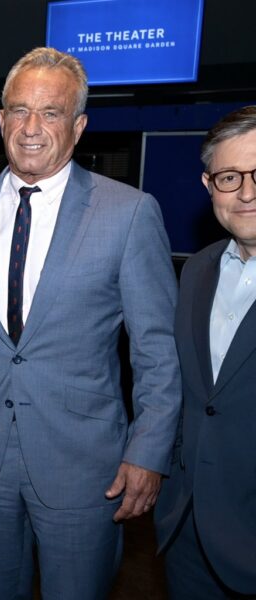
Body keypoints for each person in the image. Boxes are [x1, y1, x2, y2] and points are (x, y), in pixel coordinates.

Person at [0, 47, 181, 599]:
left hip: (85, 465)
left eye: (51, 113)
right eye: (19, 110)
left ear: (79, 126)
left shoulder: (129, 212)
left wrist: (147, 453)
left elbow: (156, 352)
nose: (31, 127)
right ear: (0, 120)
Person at [155, 105, 256, 599]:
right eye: (230, 176)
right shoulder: (197, 270)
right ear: (207, 185)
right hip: (188, 531)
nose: (247, 193)